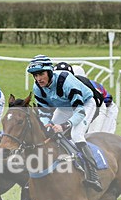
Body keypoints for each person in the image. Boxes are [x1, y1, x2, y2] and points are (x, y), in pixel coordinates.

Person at [28, 55, 102, 191]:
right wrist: (47, 124)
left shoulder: (66, 81)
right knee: (46, 133)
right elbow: (43, 113)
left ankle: (93, 175)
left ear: (49, 72)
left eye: (41, 74)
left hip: (84, 105)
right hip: (64, 107)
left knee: (76, 134)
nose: (38, 78)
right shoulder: (37, 88)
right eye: (35, 75)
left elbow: (79, 111)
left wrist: (64, 126)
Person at [71, 64, 118, 134]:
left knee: (99, 134)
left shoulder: (91, 86)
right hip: (96, 107)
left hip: (107, 108)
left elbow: (107, 101)